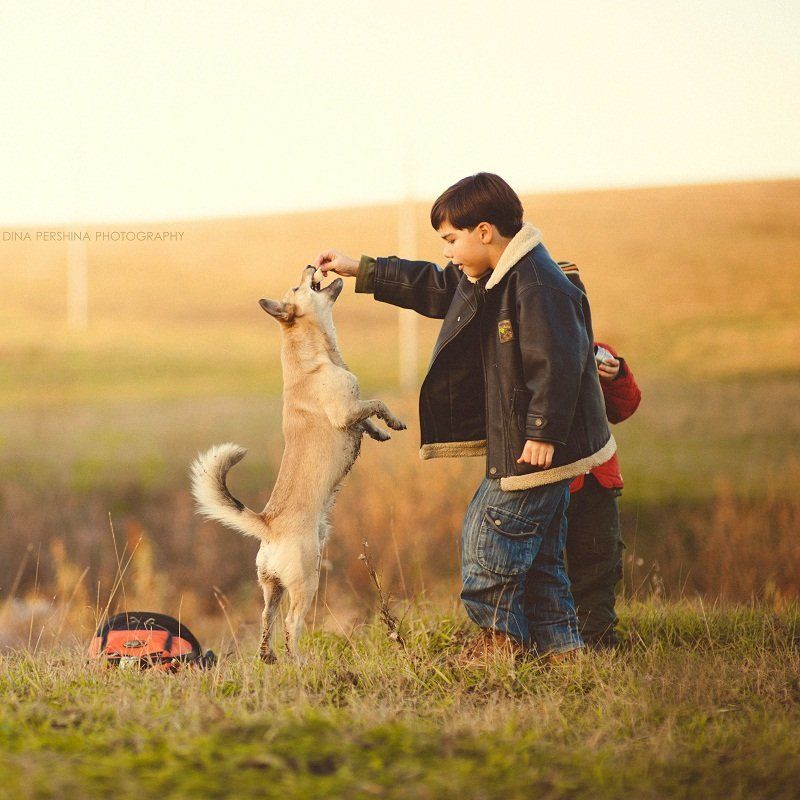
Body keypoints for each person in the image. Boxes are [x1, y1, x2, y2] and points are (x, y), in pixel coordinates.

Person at [314, 173, 615, 663]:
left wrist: (542, 431)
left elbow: (558, 363)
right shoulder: (495, 277)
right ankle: (563, 650)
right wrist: (359, 269)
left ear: (484, 231)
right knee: (538, 559)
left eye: (451, 240)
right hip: (531, 444)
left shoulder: (538, 285)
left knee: (487, 538)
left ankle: (499, 642)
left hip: (536, 447)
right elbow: (432, 285)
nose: (448, 253)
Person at [559, 264, 642, 648]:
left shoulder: (600, 352)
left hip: (598, 478)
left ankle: (598, 642)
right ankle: (555, 641)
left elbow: (623, 409)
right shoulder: (527, 350)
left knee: (599, 564)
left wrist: (617, 375)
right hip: (553, 479)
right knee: (549, 567)